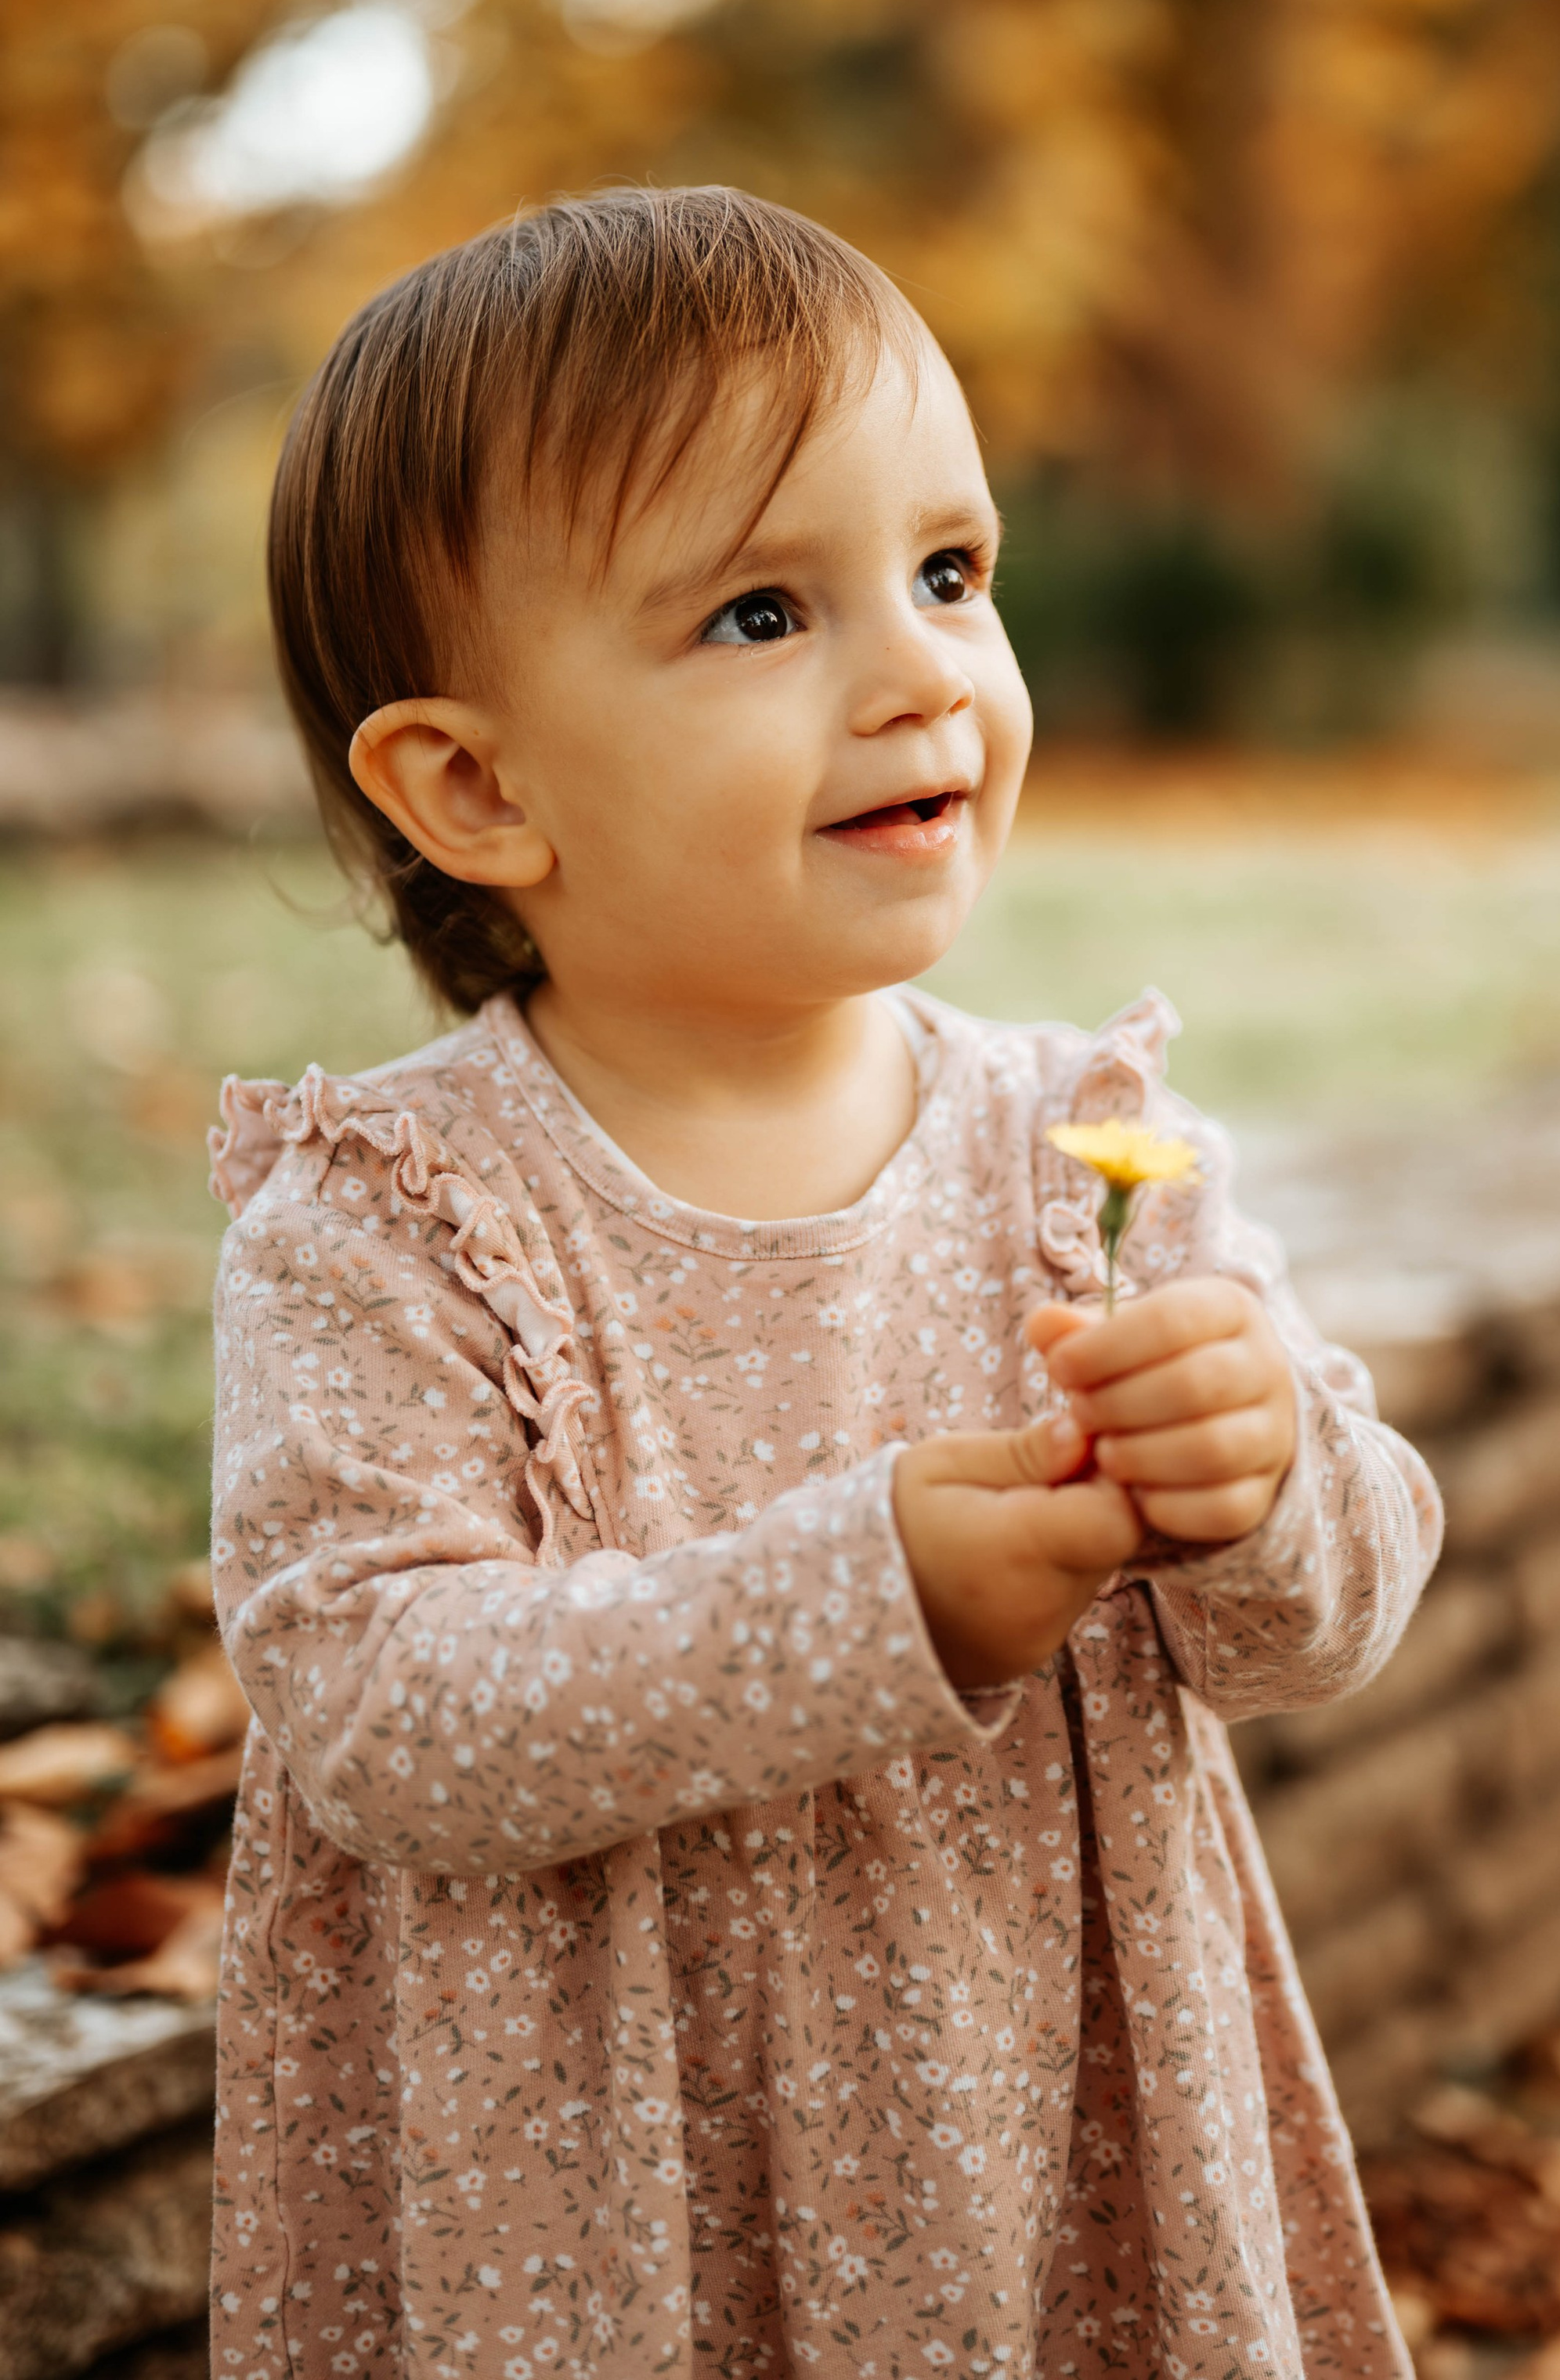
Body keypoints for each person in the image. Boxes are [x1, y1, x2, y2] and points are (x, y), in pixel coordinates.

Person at [207, 186, 1443, 2380]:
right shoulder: (399, 1216)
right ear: (476, 783)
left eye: (952, 572)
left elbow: (1311, 1625)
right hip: (615, 2205)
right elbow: (377, 1710)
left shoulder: (1084, 1152)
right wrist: (874, 1597)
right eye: (767, 613)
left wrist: (1262, 1468)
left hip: (1064, 2132)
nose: (923, 674)